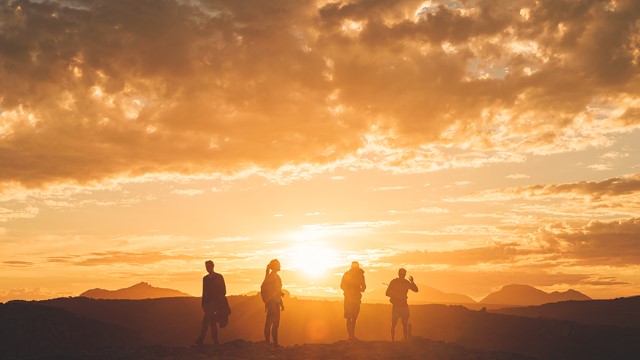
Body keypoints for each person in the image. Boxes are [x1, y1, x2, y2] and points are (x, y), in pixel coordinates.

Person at [196, 260, 230, 345]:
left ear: (213, 266)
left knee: (206, 319)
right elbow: (204, 292)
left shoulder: (219, 277)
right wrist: (203, 304)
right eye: (206, 267)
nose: (208, 268)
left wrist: (215, 300)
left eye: (209, 266)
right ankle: (216, 341)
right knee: (211, 321)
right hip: (208, 304)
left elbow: (223, 291)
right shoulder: (205, 279)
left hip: (217, 302)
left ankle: (201, 338)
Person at [385, 268, 418, 341]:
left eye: (403, 274)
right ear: (399, 274)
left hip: (402, 306)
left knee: (403, 324)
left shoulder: (404, 282)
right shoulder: (395, 282)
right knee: (395, 324)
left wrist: (412, 282)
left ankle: (403, 340)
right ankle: (393, 340)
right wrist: (396, 295)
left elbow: (416, 290)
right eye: (402, 274)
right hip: (398, 306)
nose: (402, 275)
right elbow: (387, 293)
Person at [340, 261, 366, 340]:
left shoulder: (360, 275)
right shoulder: (348, 274)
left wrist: (362, 289)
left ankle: (352, 336)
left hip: (356, 298)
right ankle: (350, 336)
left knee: (354, 317)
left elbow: (364, 285)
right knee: (349, 317)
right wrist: (349, 290)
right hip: (349, 298)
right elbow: (342, 286)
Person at [261, 259, 285, 347]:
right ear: (275, 266)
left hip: (275, 302)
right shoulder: (271, 277)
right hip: (272, 303)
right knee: (271, 323)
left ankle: (273, 343)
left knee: (274, 323)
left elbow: (275, 290)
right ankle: (271, 343)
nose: (280, 266)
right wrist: (270, 301)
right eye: (279, 265)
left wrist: (281, 301)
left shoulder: (274, 276)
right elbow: (269, 290)